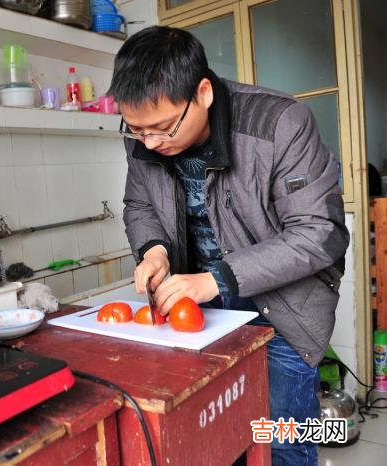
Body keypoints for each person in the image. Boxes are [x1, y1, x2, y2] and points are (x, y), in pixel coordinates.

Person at [108, 26, 349, 465]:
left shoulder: (279, 123)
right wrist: (154, 250)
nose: (150, 144)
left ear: (202, 92)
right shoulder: (145, 136)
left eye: (162, 129)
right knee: (222, 438)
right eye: (137, 130)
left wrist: (216, 278)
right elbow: (138, 204)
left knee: (282, 442)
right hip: (202, 315)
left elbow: (318, 233)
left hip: (285, 311)